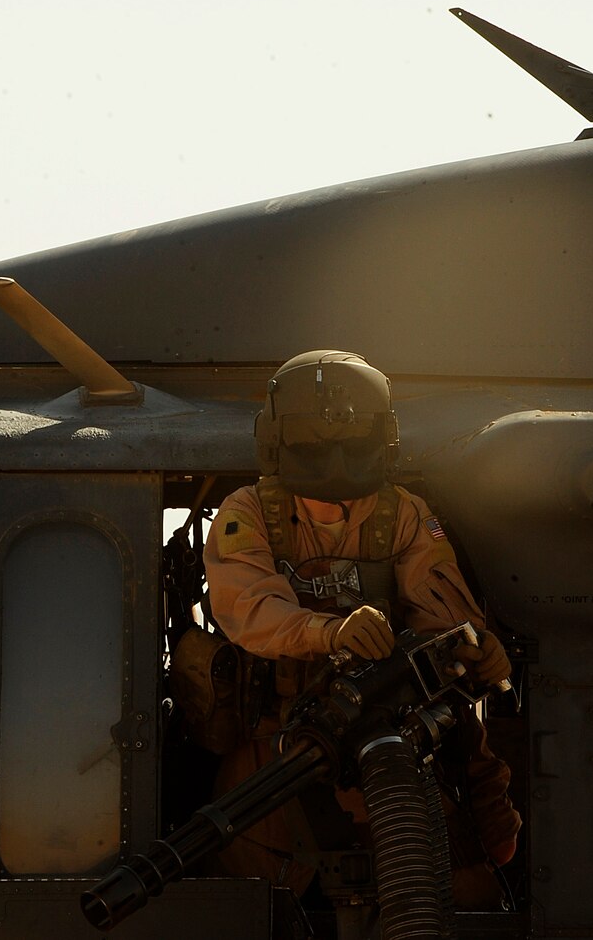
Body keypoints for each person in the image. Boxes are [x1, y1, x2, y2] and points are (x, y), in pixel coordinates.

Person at [203, 349, 520, 903]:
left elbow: (442, 607)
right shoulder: (248, 511)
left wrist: (472, 648)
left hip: (389, 740)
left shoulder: (404, 514)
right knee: (252, 896)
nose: (335, 471)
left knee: (465, 876)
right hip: (276, 750)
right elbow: (247, 607)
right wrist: (326, 633)